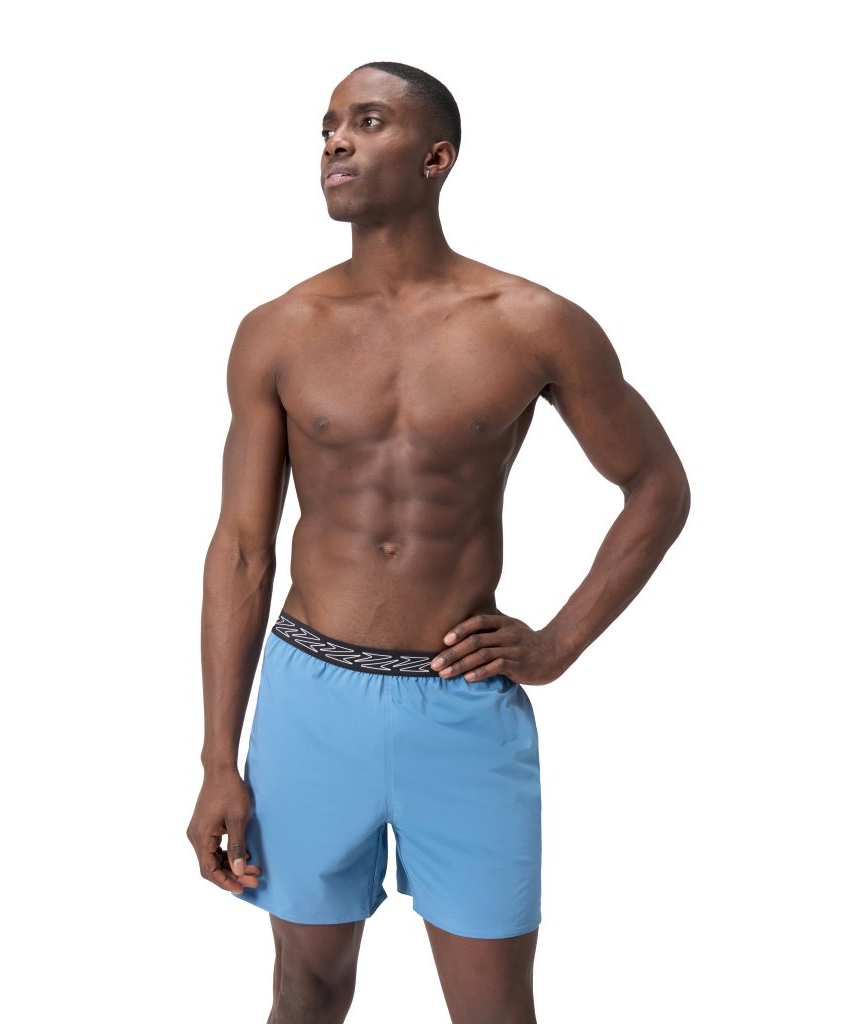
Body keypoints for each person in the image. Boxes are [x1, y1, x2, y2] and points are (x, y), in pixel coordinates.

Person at [186, 60, 690, 1024]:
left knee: (495, 1010)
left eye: (368, 121)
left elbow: (657, 486)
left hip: (461, 704)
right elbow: (243, 550)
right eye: (328, 126)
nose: (336, 141)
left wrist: (559, 642)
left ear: (436, 157)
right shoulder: (278, 331)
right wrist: (218, 759)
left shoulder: (534, 324)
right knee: (305, 989)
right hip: (308, 701)